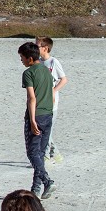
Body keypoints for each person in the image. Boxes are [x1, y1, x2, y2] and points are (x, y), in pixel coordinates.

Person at [19, 42, 54, 200]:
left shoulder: (28, 73)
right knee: (39, 153)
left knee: (33, 153)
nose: (21, 60)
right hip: (48, 114)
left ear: (30, 58)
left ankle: (47, 181)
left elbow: (31, 98)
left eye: (22, 57)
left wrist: (32, 120)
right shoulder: (47, 70)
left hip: (36, 115)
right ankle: (35, 190)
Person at [35, 36, 68, 165]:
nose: (35, 48)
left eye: (37, 46)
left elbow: (64, 79)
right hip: (39, 102)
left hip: (51, 104)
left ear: (45, 48)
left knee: (46, 131)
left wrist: (53, 91)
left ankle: (46, 157)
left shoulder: (54, 62)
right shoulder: (38, 62)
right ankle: (56, 153)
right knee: (41, 130)